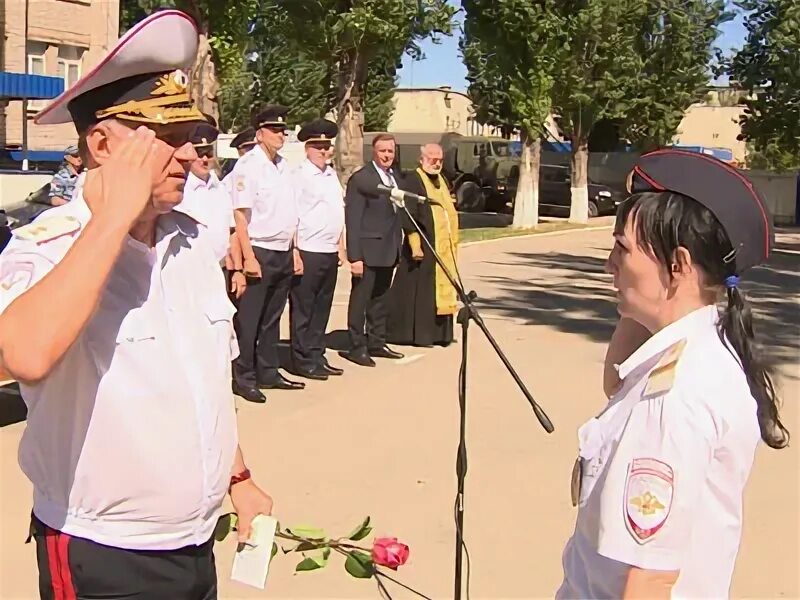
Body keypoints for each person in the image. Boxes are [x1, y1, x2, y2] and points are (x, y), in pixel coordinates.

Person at [0, 11, 273, 598]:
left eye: (189, 138)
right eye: (164, 140)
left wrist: (240, 477)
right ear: (101, 144)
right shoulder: (49, 243)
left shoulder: (193, 238)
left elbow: (200, 383)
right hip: (103, 550)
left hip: (195, 541)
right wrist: (112, 217)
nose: (187, 155)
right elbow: (22, 353)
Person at [556, 149, 790, 599]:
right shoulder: (697, 346)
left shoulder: (674, 395)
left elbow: (649, 579)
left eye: (621, 249)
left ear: (679, 265)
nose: (609, 263)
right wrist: (640, 300)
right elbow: (617, 384)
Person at [230, 105, 303, 401]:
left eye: (283, 130)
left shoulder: (284, 165)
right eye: (275, 130)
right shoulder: (248, 166)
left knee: (272, 318)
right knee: (250, 319)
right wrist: (248, 257)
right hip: (259, 249)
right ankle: (244, 376)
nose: (281, 134)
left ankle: (269, 371)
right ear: (260, 134)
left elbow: (289, 211)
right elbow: (240, 216)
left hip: (283, 250)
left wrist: (294, 250)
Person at [288, 118, 347, 380]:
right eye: (319, 147)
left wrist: (341, 247)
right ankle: (301, 358)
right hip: (307, 249)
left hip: (328, 249)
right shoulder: (299, 175)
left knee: (322, 307)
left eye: (327, 146)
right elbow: (291, 215)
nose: (324, 151)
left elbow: (338, 212)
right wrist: (295, 251)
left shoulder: (331, 174)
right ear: (307, 148)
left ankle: (316, 353)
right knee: (304, 307)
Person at [340, 133, 405, 367]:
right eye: (383, 151)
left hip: (389, 248)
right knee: (361, 299)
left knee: (380, 299)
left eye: (390, 151)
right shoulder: (362, 179)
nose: (387, 155)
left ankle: (377, 341)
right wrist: (354, 256)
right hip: (367, 250)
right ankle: (356, 346)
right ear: (373, 152)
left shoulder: (393, 177)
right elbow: (353, 218)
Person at [387, 143, 459, 347]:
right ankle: (419, 335)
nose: (436, 163)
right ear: (421, 159)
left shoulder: (441, 180)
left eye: (439, 160)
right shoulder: (413, 179)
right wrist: (415, 244)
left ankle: (440, 334)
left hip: (443, 247)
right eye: (432, 159)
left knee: (438, 289)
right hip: (424, 245)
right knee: (422, 292)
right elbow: (409, 214)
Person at [177, 117, 247, 300]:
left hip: (220, 269)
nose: (205, 159)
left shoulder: (220, 187)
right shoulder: (180, 189)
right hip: (191, 273)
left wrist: (238, 270)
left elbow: (232, 231)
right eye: (199, 154)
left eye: (208, 153)